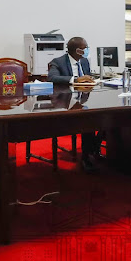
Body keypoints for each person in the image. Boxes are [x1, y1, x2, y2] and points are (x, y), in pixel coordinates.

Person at [47, 37, 100, 170]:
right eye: (85, 48)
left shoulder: (85, 61)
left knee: (101, 118)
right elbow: (52, 78)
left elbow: (87, 78)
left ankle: (93, 151)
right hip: (66, 103)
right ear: (78, 50)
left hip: (84, 100)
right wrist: (75, 79)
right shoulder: (57, 62)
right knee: (89, 121)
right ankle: (87, 157)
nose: (87, 50)